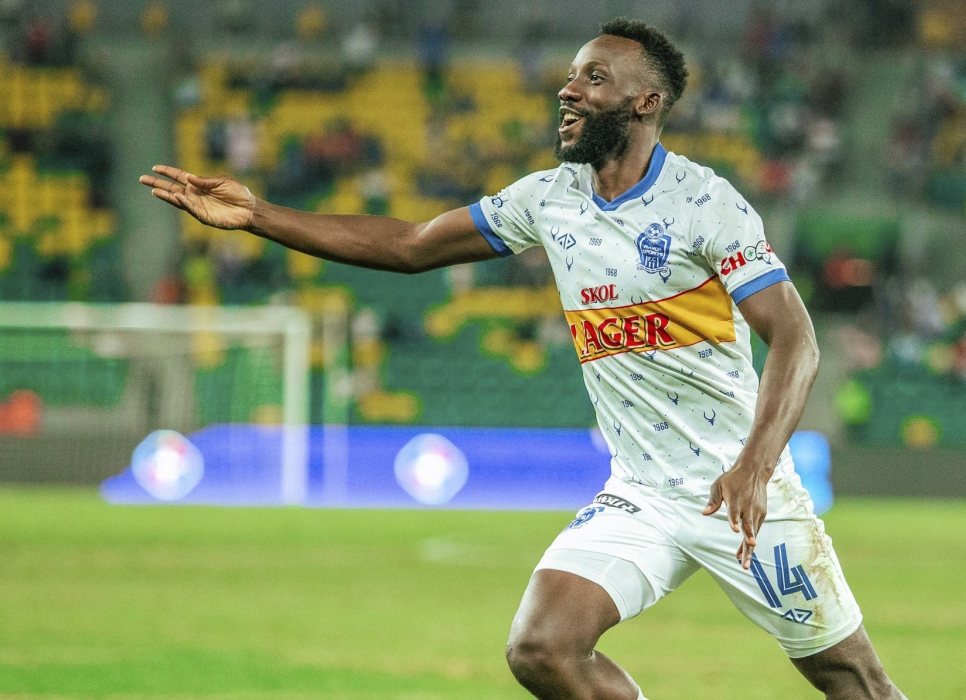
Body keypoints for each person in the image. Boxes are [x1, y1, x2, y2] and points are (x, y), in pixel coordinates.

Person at [140, 18, 906, 700]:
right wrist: (260, 215)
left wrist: (754, 467)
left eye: (593, 77)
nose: (567, 89)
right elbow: (410, 247)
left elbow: (797, 338)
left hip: (740, 494)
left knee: (854, 682)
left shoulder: (706, 205)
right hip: (640, 492)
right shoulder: (549, 199)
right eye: (571, 74)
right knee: (543, 648)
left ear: (645, 103)